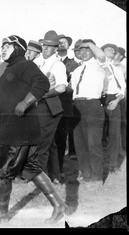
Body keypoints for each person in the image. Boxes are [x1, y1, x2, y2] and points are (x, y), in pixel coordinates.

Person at [0, 35, 67, 224]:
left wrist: (26, 101)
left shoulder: (26, 65)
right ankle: (59, 206)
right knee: (31, 169)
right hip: (17, 128)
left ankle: (1, 211)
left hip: (17, 130)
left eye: (7, 46)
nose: (3, 49)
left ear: (18, 48)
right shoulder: (8, 69)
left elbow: (42, 83)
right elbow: (5, 100)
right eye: (2, 45)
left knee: (4, 169)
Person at [70, 39, 107, 186]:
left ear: (93, 50)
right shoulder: (77, 70)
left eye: (87, 49)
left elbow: (102, 56)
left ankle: (97, 178)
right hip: (77, 105)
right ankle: (86, 174)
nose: (83, 52)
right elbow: (72, 89)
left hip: (92, 105)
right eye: (81, 49)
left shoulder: (99, 65)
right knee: (80, 144)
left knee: (93, 143)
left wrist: (89, 42)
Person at [36, 30, 68, 184]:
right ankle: (54, 177)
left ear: (56, 48)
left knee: (42, 144)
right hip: (39, 106)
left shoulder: (58, 64)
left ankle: (41, 181)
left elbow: (61, 87)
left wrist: (43, 94)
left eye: (49, 47)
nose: (45, 49)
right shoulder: (39, 62)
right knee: (50, 143)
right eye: (44, 45)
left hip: (50, 106)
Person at [55, 34, 79, 181]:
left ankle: (58, 169)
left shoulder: (73, 64)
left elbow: (71, 87)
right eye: (57, 42)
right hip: (48, 106)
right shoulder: (50, 61)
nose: (60, 45)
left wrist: (61, 85)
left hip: (64, 107)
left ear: (68, 46)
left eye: (63, 43)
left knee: (60, 140)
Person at [101, 43, 126, 174]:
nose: (111, 50)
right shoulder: (96, 67)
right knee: (96, 134)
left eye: (113, 50)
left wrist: (116, 101)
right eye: (108, 48)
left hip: (113, 100)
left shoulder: (117, 69)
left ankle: (113, 164)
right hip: (97, 99)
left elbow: (122, 88)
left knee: (114, 133)